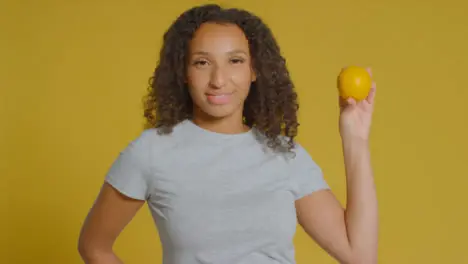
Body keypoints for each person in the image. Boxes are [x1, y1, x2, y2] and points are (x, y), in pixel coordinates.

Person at [78, 4, 378, 264]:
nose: (219, 80)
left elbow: (360, 256)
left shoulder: (285, 155)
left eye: (235, 60)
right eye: (202, 62)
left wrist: (355, 137)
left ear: (254, 70)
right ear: (184, 72)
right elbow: (94, 247)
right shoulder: (151, 152)